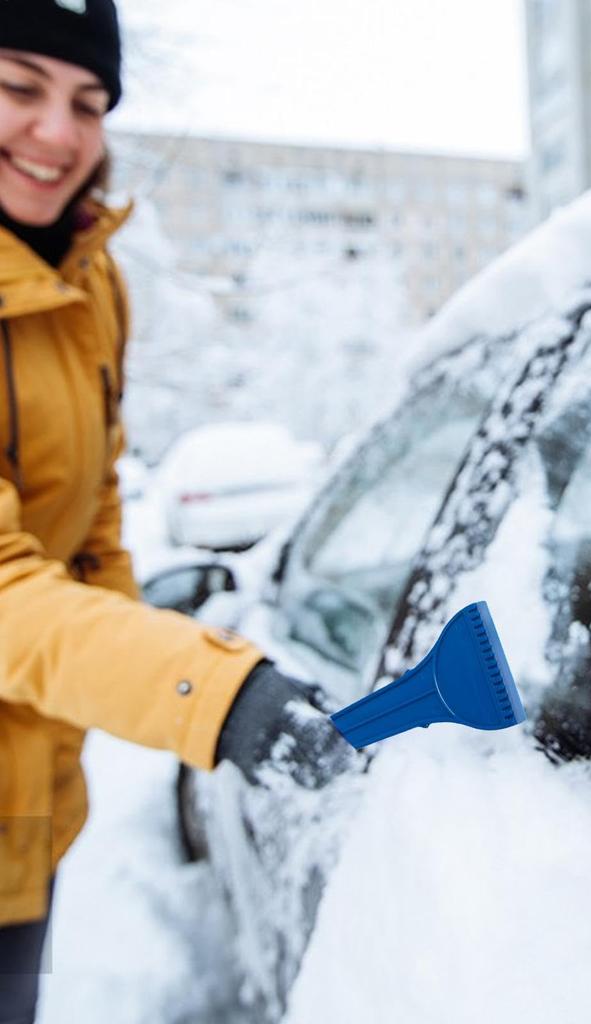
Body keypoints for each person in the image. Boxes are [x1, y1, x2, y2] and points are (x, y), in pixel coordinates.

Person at [0, 4, 346, 1020]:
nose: (58, 133)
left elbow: (92, 513)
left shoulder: (88, 277)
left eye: (88, 102)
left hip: (26, 806)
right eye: (18, 87)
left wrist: (131, 671)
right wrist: (209, 690)